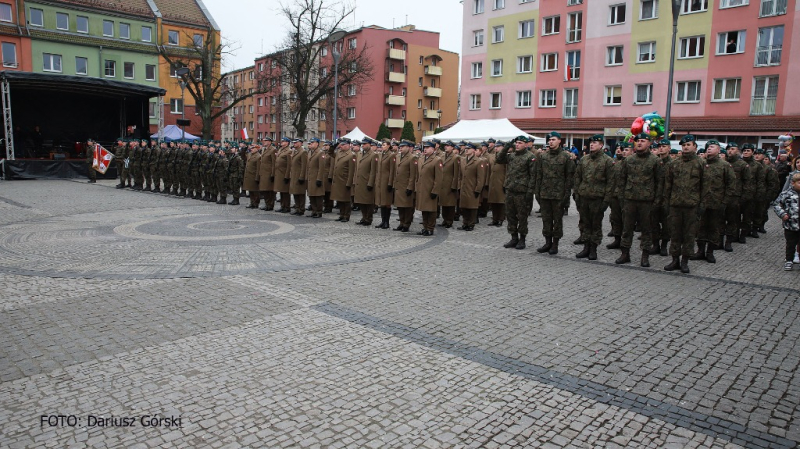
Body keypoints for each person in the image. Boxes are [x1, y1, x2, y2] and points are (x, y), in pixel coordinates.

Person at [617, 133, 662, 266]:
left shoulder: (655, 161)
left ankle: (645, 256)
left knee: (646, 229)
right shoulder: (629, 160)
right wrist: (622, 198)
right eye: (638, 141)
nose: (640, 143)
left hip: (647, 201)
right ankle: (625, 254)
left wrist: (657, 201)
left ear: (649, 143)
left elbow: (660, 182)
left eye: (643, 141)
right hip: (630, 199)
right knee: (627, 228)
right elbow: (622, 180)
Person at [663, 135, 704, 273]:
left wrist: (702, 205)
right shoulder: (674, 164)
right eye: (683, 145)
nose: (686, 147)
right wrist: (666, 203)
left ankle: (685, 260)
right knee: (675, 233)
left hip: (692, 205)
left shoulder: (701, 163)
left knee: (689, 235)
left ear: (694, 147)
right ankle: (675, 259)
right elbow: (668, 185)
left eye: (688, 144)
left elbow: (705, 186)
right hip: (675, 204)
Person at [573, 134, 614, 260]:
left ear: (601, 145)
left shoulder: (607, 161)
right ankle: (585, 246)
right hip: (584, 197)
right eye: (591, 142)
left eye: (595, 143)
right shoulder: (584, 160)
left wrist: (606, 200)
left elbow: (611, 182)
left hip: (598, 198)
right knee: (585, 223)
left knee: (595, 225)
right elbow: (577, 177)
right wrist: (577, 193)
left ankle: (593, 248)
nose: (592, 144)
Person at [691, 140, 733, 263]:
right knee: (700, 227)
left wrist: (725, 201)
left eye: (712, 147)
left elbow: (731, 185)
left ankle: (710, 252)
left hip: (716, 202)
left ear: (719, 150)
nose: (709, 149)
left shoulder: (724, 165)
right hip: (701, 202)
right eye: (708, 147)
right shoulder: (701, 164)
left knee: (714, 228)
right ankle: (700, 251)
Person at [535, 131, 575, 255]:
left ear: (559, 141)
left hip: (559, 195)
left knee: (557, 221)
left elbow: (569, 178)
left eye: (553, 139)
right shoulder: (543, 157)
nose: (550, 142)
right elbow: (539, 175)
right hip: (545, 194)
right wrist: (537, 192)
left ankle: (555, 244)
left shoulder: (565, 157)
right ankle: (547, 242)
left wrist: (566, 195)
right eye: (549, 140)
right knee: (546, 220)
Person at [496, 137, 536, 249]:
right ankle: (514, 238)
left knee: (522, 217)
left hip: (522, 192)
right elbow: (499, 159)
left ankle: (522, 239)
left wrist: (530, 192)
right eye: (516, 143)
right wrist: (507, 146)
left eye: (520, 143)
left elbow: (533, 176)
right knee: (510, 215)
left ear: (526, 145)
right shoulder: (511, 156)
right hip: (510, 190)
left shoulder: (530, 157)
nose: (517, 145)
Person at [773, 173, 800, 270]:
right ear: (793, 183)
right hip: (790, 224)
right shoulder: (786, 194)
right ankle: (789, 260)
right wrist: (783, 214)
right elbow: (776, 205)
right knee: (790, 244)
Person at [415, 141, 442, 236]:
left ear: (433, 149)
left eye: (427, 147)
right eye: (424, 147)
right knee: (424, 209)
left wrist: (435, 190)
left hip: (430, 189)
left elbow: (438, 178)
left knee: (431, 209)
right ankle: (425, 227)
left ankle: (430, 228)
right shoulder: (422, 158)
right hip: (422, 188)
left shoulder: (437, 160)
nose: (425, 149)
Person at [457, 143, 486, 232]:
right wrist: (459, 186)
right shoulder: (463, 160)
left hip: (472, 187)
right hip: (464, 187)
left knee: (472, 207)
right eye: (466, 148)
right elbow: (460, 175)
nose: (466, 150)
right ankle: (465, 223)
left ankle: (471, 224)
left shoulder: (478, 161)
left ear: (473, 150)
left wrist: (478, 189)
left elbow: (480, 177)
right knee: (464, 206)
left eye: (469, 148)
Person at [329, 138, 356, 222]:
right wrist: (334, 146)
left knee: (346, 199)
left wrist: (349, 183)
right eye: (341, 144)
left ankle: (346, 215)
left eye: (343, 145)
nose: (341, 146)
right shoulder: (339, 153)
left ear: (348, 145)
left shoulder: (351, 155)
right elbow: (330, 153)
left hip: (344, 180)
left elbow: (352, 171)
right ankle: (341, 214)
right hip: (337, 180)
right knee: (339, 199)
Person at [393, 140, 417, 232]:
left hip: (406, 186)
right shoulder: (398, 156)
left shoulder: (412, 158)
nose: (401, 148)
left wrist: (410, 187)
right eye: (400, 146)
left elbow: (413, 174)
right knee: (400, 206)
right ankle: (401, 223)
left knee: (407, 207)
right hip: (399, 185)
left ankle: (406, 224)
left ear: (408, 147)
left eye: (403, 147)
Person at [741, 143, 764, 240]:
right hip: (738, 194)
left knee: (748, 216)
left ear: (752, 152)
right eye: (744, 151)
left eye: (748, 151)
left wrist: (758, 195)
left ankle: (744, 234)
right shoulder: (739, 163)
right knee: (735, 216)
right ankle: (734, 234)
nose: (746, 152)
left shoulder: (757, 165)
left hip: (751, 194)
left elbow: (760, 181)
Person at [354, 139, 378, 225]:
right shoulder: (360, 154)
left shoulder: (373, 155)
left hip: (367, 182)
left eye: (364, 144)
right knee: (361, 201)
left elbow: (373, 171)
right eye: (362, 144)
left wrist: (371, 183)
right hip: (360, 181)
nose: (362, 145)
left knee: (368, 202)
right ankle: (364, 217)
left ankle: (369, 219)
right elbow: (357, 168)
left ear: (369, 144)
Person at [374, 140, 396, 228]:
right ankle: (383, 221)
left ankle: (387, 222)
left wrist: (390, 183)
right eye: (381, 145)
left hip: (386, 182)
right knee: (381, 202)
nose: (382, 146)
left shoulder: (391, 155)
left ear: (388, 146)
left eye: (384, 145)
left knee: (387, 203)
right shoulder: (380, 154)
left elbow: (392, 171)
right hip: (380, 181)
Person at [487, 140, 507, 227]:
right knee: (493, 201)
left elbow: (507, 172)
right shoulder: (492, 157)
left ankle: (500, 219)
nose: (496, 148)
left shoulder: (505, 157)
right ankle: (494, 219)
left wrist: (505, 183)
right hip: (493, 181)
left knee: (501, 202)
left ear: (503, 147)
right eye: (495, 147)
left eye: (498, 146)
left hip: (501, 181)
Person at [305, 138, 326, 218]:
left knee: (318, 196)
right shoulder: (310, 152)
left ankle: (319, 211)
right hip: (311, 177)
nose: (311, 144)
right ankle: (314, 211)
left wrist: (319, 179)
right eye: (310, 142)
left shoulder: (320, 153)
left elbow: (321, 167)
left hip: (316, 177)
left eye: (312, 142)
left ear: (317, 143)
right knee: (311, 195)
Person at [289, 138, 308, 214]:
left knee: (300, 193)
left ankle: (301, 209)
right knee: (295, 192)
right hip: (294, 175)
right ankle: (297, 208)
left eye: (296, 142)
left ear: (301, 143)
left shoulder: (303, 152)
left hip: (299, 175)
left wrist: (302, 176)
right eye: (294, 143)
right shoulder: (295, 151)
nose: (294, 144)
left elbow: (304, 166)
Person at [274, 137, 293, 213]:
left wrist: (287, 176)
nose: (282, 142)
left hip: (284, 173)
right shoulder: (281, 150)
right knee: (281, 191)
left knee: (285, 192)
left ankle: (287, 207)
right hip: (279, 173)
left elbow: (289, 165)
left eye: (284, 141)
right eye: (282, 141)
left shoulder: (289, 151)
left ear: (287, 143)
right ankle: (282, 206)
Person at [258, 137, 276, 211]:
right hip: (263, 173)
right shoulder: (264, 149)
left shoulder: (273, 150)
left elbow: (274, 163)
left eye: (265, 141)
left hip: (268, 173)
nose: (264, 142)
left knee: (269, 190)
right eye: (264, 141)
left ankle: (270, 205)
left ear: (270, 142)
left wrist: (272, 174)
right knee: (264, 190)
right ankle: (267, 204)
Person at [244, 144, 261, 208]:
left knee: (255, 191)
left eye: (253, 148)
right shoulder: (249, 154)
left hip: (254, 175)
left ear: (257, 149)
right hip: (248, 175)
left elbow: (258, 168)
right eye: (251, 148)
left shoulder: (258, 156)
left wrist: (257, 177)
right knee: (250, 190)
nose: (251, 149)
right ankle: (252, 202)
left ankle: (256, 203)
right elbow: (244, 155)